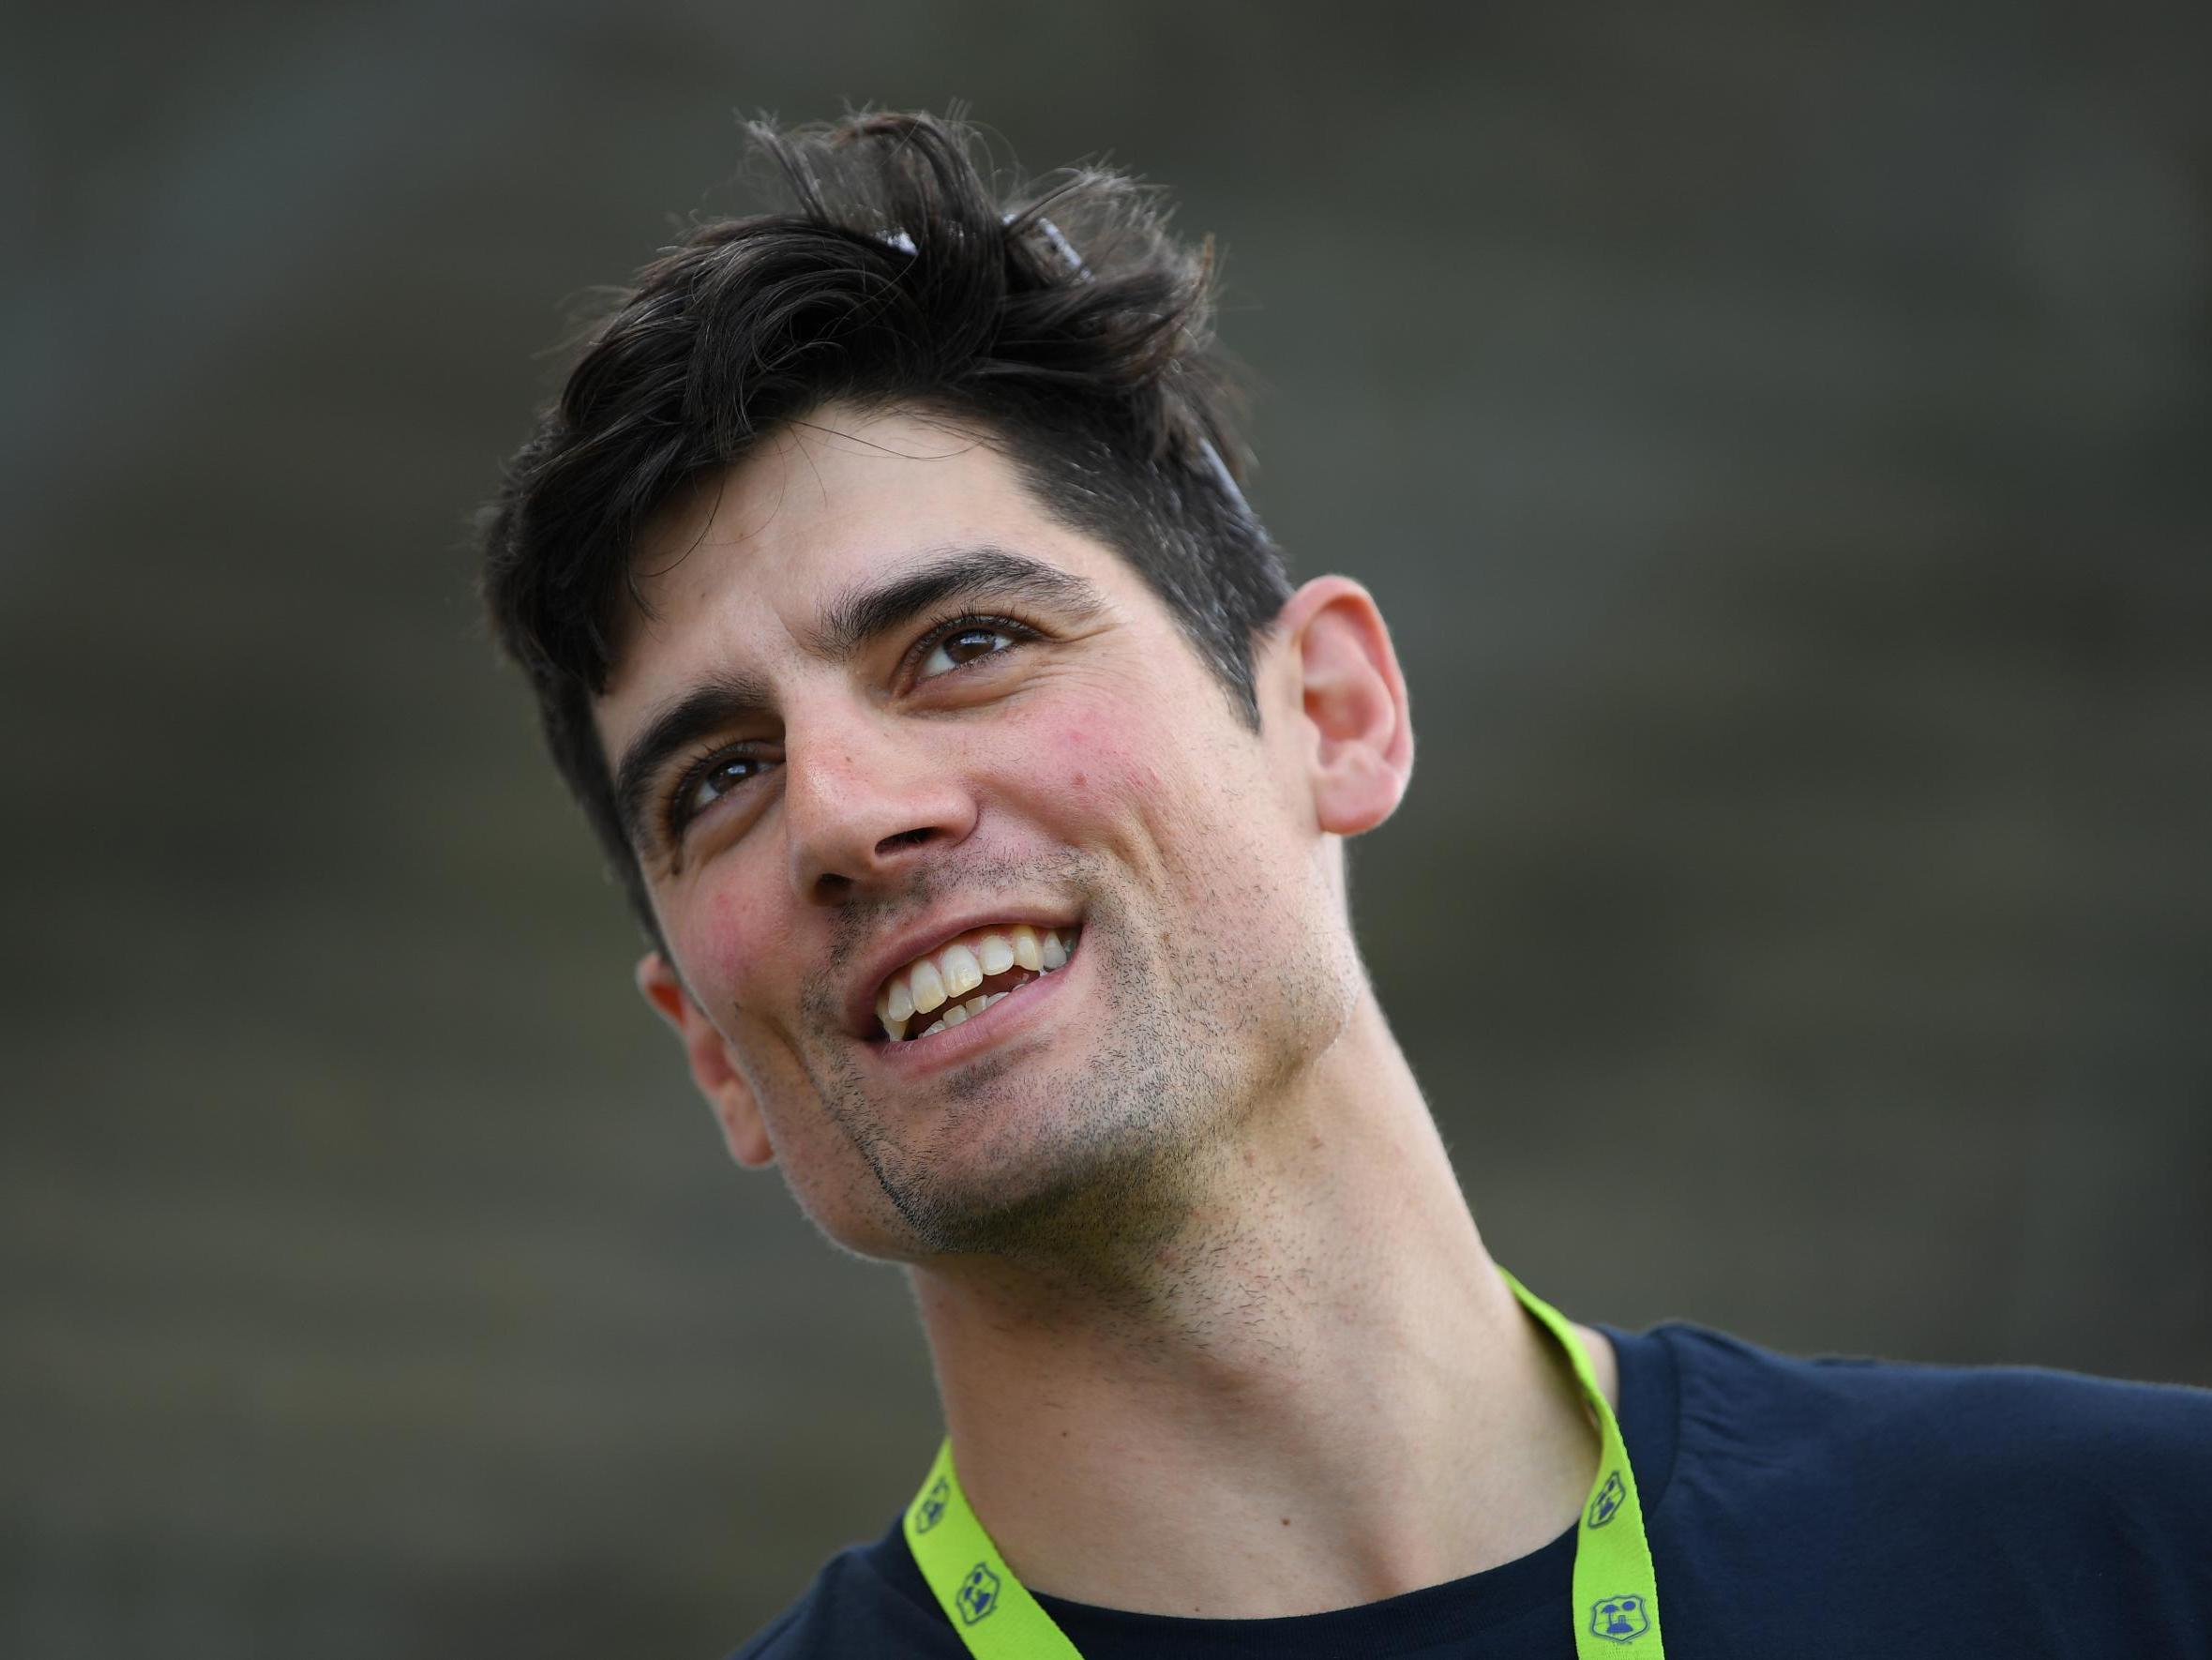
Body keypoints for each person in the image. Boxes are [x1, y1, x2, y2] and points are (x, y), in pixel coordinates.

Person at [479, 112, 2211, 1658]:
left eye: (965, 644)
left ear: (1333, 712)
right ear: (714, 1051)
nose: (845, 814)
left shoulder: (2125, 1560)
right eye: (721, 779)